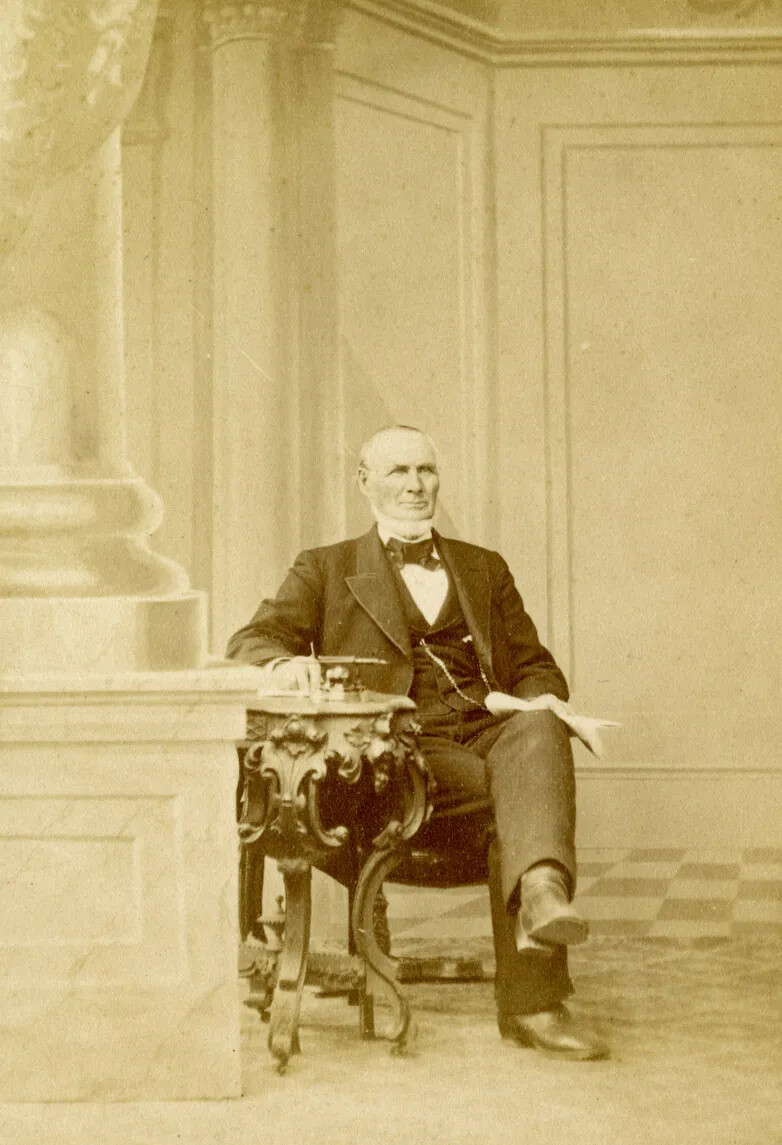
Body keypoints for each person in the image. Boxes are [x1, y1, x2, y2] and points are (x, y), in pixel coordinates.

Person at [227, 424, 607, 1061]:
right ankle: (536, 993)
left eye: (425, 471)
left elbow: (538, 665)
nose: (414, 485)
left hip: (491, 732)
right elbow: (251, 641)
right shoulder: (326, 568)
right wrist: (280, 666)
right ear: (365, 482)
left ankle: (542, 892)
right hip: (401, 752)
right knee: (517, 808)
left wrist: (531, 696)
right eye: (398, 471)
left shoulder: (484, 567)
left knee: (541, 726)